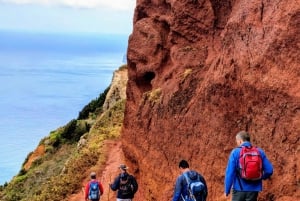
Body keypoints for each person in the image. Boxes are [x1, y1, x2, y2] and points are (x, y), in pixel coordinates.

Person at [224, 131, 273, 201]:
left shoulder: (235, 152)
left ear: (240, 141)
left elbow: (230, 173)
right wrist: (261, 177)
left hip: (239, 189)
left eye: (237, 141)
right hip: (253, 190)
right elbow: (269, 170)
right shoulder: (259, 152)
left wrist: (227, 190)